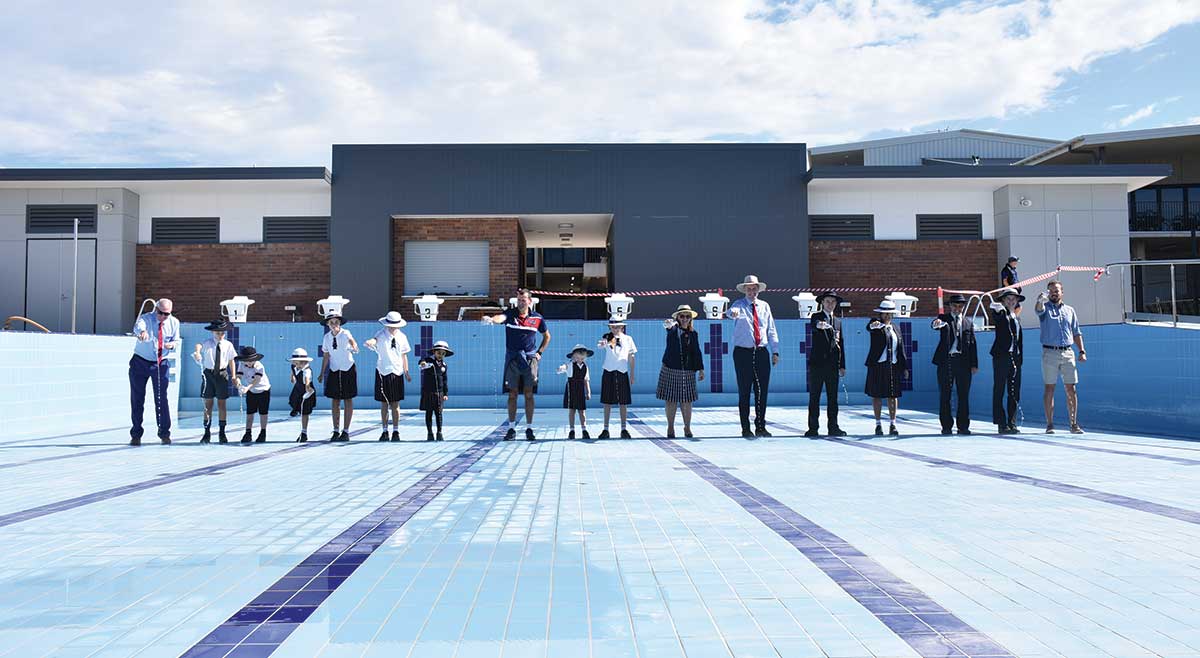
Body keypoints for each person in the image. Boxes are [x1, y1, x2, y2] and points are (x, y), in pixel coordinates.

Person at [483, 289, 551, 441]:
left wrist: (539, 352)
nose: (521, 302)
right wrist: (492, 319)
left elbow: (547, 336)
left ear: (530, 301)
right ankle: (511, 428)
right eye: (519, 299)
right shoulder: (510, 314)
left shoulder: (537, 318)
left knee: (528, 394)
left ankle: (529, 428)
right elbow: (501, 317)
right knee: (512, 394)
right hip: (513, 360)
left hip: (529, 360)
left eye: (524, 299)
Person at [727, 275, 780, 438]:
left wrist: (775, 350)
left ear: (758, 290)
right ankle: (745, 427)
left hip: (761, 351)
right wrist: (732, 313)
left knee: (761, 390)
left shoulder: (764, 306)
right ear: (745, 290)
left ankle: (760, 426)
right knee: (744, 390)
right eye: (748, 289)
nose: (751, 292)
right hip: (743, 352)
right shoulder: (738, 305)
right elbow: (730, 313)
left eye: (754, 289)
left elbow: (771, 328)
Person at [1036, 281, 1086, 434]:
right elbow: (1038, 310)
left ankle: (1073, 423)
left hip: (1068, 352)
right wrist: (1039, 301)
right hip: (1050, 353)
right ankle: (1050, 424)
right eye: (1050, 290)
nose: (1053, 293)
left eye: (1056, 290)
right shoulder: (1044, 309)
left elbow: (1076, 332)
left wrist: (1082, 351)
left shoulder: (1070, 310)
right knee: (1049, 388)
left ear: (1062, 292)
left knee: (1071, 388)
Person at [129, 298, 180, 445]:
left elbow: (176, 341)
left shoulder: (174, 322)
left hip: (160, 363)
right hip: (140, 361)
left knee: (161, 398)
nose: (163, 316)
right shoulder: (145, 318)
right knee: (137, 398)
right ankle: (136, 433)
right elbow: (138, 327)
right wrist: (143, 332)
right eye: (161, 313)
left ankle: (164, 433)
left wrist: (172, 345)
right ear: (155, 309)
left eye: (167, 314)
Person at [931, 293, 979, 435]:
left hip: (963, 362)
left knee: (963, 395)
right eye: (954, 306)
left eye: (960, 306)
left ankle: (963, 425)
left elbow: (972, 345)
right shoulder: (943, 319)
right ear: (950, 306)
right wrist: (936, 323)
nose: (957, 309)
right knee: (945, 394)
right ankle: (946, 426)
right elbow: (935, 325)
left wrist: (974, 364)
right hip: (946, 361)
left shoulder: (968, 323)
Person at [364, 311, 413, 442]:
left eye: (395, 325)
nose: (393, 328)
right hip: (382, 371)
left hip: (397, 372)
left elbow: (404, 355)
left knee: (395, 403)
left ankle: (396, 430)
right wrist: (370, 342)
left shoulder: (402, 337)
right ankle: (385, 430)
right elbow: (374, 340)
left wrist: (406, 371)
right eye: (390, 325)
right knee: (384, 403)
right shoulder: (380, 334)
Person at [658, 305, 705, 438]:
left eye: (687, 316)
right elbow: (668, 326)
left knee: (687, 401)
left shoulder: (693, 334)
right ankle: (670, 427)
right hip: (670, 368)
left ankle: (687, 427)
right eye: (682, 316)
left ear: (691, 318)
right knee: (671, 400)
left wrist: (701, 369)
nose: (685, 319)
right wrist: (668, 324)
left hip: (688, 369)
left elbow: (697, 352)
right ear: (677, 318)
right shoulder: (673, 329)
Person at [865, 299, 909, 436]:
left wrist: (904, 367)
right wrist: (875, 325)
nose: (887, 316)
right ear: (880, 314)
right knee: (877, 395)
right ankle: (878, 424)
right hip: (878, 365)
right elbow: (870, 327)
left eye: (890, 313)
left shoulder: (896, 328)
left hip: (893, 365)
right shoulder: (875, 324)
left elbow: (901, 349)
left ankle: (893, 423)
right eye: (885, 313)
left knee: (893, 395)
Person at [806, 291, 847, 437]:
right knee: (814, 397)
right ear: (822, 303)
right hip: (817, 364)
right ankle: (813, 428)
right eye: (828, 301)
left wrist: (842, 365)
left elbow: (841, 343)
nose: (830, 304)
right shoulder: (816, 316)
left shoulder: (838, 321)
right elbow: (814, 325)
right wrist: (820, 325)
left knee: (833, 398)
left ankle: (833, 427)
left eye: (833, 302)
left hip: (832, 365)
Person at [192, 318, 236, 444]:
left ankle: (222, 433)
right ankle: (207, 432)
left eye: (222, 333)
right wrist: (197, 352)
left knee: (222, 404)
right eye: (218, 333)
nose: (220, 335)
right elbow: (198, 345)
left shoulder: (228, 345)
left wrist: (233, 376)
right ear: (212, 332)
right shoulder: (207, 343)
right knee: (208, 405)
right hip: (208, 374)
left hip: (222, 374)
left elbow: (231, 360)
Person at [988, 288, 1025, 434]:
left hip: (1015, 358)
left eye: (1013, 299)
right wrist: (997, 310)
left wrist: (1019, 358)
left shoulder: (1016, 317)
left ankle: (1012, 421)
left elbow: (1018, 340)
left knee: (1014, 391)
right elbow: (998, 318)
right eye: (1008, 299)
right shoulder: (1001, 314)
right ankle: (1001, 423)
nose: (1011, 301)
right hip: (1001, 357)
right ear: (1003, 301)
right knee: (999, 389)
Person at [318, 314, 359, 442]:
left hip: (348, 368)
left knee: (348, 399)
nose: (334, 324)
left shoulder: (345, 333)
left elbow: (353, 343)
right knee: (335, 400)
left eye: (336, 322)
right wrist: (322, 372)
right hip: (335, 369)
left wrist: (354, 347)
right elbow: (326, 356)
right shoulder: (327, 337)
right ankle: (336, 430)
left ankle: (346, 431)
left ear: (340, 323)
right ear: (328, 324)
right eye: (331, 322)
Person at [597, 316, 636, 439]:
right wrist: (603, 343)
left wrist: (632, 374)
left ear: (622, 327)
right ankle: (605, 428)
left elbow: (631, 356)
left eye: (618, 326)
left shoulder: (628, 339)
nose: (615, 329)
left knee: (623, 402)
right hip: (609, 371)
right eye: (613, 327)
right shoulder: (607, 337)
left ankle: (624, 428)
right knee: (607, 401)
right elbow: (601, 345)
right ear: (610, 327)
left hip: (622, 371)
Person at [234, 345, 270, 443]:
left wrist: (247, 388)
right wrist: (238, 383)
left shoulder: (259, 366)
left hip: (263, 390)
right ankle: (248, 433)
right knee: (250, 413)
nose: (249, 363)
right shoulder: (241, 364)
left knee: (263, 413)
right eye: (247, 361)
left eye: (251, 361)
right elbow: (239, 375)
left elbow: (257, 380)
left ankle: (263, 433)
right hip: (251, 391)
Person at [418, 340, 452, 441]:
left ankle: (439, 432)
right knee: (429, 413)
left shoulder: (444, 366)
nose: (440, 355)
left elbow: (445, 380)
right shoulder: (429, 361)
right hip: (428, 392)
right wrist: (423, 363)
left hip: (439, 393)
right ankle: (429, 433)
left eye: (442, 353)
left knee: (439, 413)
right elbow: (421, 362)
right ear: (434, 352)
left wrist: (445, 393)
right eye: (438, 353)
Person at [560, 345, 593, 439]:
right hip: (571, 389)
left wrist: (588, 392)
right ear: (573, 356)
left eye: (582, 357)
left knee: (582, 411)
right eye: (577, 357)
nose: (579, 359)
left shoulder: (585, 367)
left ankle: (584, 430)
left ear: (585, 357)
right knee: (572, 411)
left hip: (580, 389)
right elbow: (563, 368)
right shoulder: (570, 365)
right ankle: (572, 430)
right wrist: (561, 368)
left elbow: (586, 380)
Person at [287, 348, 317, 442]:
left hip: (306, 390)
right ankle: (296, 409)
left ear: (304, 362)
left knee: (305, 412)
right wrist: (292, 377)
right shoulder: (294, 366)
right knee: (293, 401)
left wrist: (308, 389)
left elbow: (307, 381)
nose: (295, 365)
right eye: (294, 363)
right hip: (297, 388)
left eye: (297, 363)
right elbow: (293, 371)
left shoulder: (307, 371)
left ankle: (304, 433)